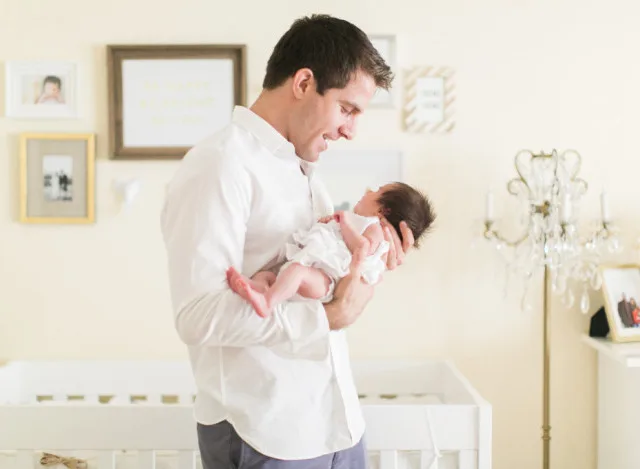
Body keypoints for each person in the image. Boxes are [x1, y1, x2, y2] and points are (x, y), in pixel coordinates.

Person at [160, 14, 416, 469]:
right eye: (348, 108)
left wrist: (372, 261)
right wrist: (329, 317)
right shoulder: (220, 165)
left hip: (337, 426)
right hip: (266, 434)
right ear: (303, 82)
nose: (351, 130)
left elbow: (326, 284)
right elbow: (196, 318)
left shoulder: (302, 171)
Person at [227, 182, 436, 318]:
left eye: (377, 191)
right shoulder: (359, 222)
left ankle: (268, 301)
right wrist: (334, 222)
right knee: (269, 274)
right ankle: (258, 288)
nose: (368, 191)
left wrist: (343, 223)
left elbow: (362, 248)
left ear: (383, 210)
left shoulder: (374, 229)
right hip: (316, 271)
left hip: (327, 281)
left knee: (297, 271)